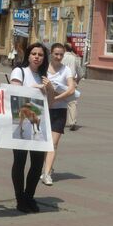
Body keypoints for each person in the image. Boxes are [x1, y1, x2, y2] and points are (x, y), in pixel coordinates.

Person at [10, 42, 55, 213]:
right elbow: (14, 94)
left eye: (41, 54)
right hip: (21, 122)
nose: (37, 57)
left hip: (39, 124)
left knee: (37, 164)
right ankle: (20, 198)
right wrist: (34, 89)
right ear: (28, 55)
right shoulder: (19, 72)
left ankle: (30, 196)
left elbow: (50, 104)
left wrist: (49, 89)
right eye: (34, 53)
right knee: (20, 162)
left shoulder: (44, 76)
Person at [41, 42, 76, 186]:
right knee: (44, 143)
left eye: (61, 54)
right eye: (56, 54)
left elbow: (71, 89)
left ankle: (47, 173)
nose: (59, 57)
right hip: (43, 109)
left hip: (59, 110)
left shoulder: (66, 70)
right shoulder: (43, 69)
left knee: (53, 144)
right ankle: (46, 167)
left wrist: (55, 98)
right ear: (51, 54)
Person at [62, 43, 81, 130]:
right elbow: (80, 72)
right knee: (72, 102)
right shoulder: (75, 58)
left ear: (64, 49)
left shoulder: (60, 57)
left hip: (61, 81)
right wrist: (77, 81)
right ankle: (72, 121)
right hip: (72, 81)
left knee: (58, 100)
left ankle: (57, 120)